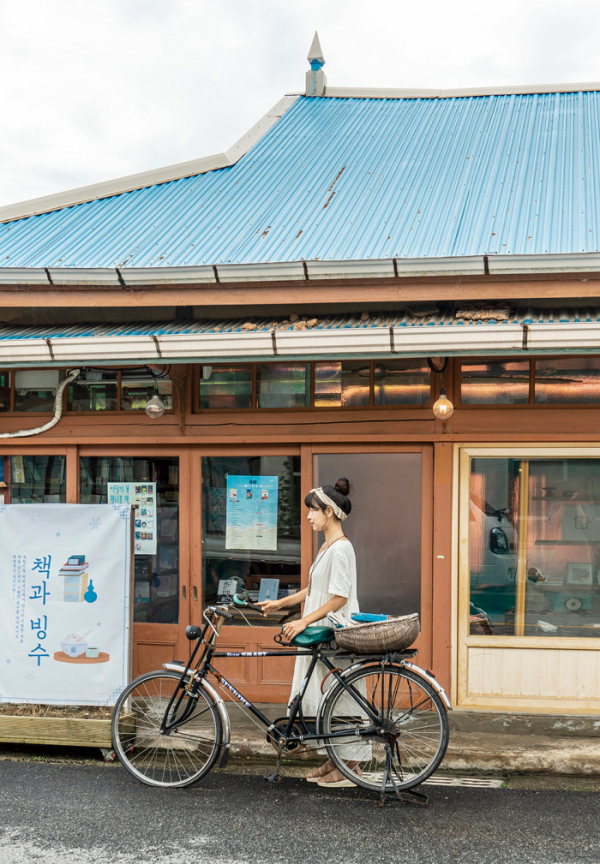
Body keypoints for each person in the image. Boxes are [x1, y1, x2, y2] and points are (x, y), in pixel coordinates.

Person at [258, 478, 361, 788]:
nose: (308, 517)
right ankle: (335, 759)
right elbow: (313, 590)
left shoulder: (341, 549)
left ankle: (350, 764)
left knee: (341, 699)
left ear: (329, 512)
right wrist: (280, 603)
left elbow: (339, 598)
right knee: (325, 695)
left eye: (313, 511)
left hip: (331, 629)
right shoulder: (328, 548)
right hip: (320, 626)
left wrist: (303, 622)